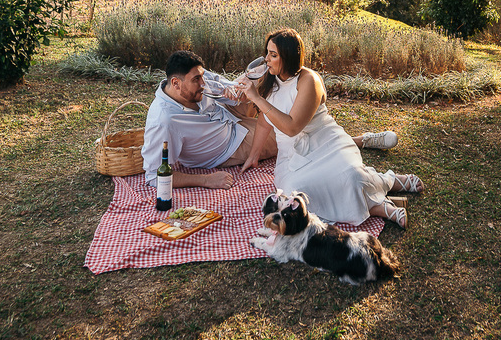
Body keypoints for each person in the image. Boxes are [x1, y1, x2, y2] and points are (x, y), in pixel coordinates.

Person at [239, 28, 424, 227]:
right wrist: (254, 155)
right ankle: (375, 204)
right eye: (267, 52)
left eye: (273, 55)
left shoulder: (308, 80)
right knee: (296, 196)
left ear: (289, 57)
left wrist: (256, 98)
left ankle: (390, 182)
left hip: (325, 141)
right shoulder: (268, 79)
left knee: (351, 176)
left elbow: (292, 127)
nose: (266, 59)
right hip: (292, 155)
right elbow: (264, 121)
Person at [142, 50, 277, 190]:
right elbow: (154, 176)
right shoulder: (163, 122)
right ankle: (290, 119)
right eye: (196, 80)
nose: (203, 83)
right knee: (285, 134)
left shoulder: (194, 74)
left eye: (202, 76)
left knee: (267, 68)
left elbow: (217, 82)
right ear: (176, 83)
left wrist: (232, 90)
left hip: (226, 110)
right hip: (232, 144)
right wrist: (206, 180)